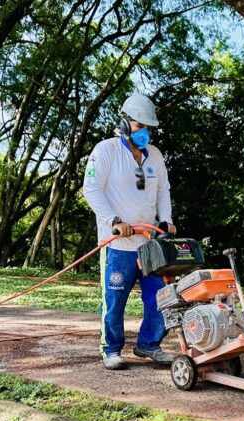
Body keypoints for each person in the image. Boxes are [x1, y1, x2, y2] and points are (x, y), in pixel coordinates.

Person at [82, 94, 177, 370]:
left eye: (148, 128)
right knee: (115, 300)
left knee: (160, 297)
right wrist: (114, 219)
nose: (145, 133)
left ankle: (149, 344)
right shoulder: (106, 150)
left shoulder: (155, 155)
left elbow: (163, 190)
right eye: (139, 127)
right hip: (117, 245)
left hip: (149, 245)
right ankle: (111, 348)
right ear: (124, 124)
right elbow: (91, 189)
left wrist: (167, 219)